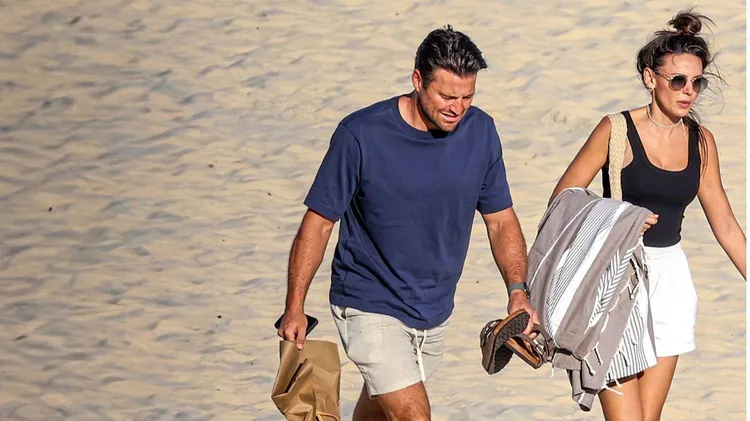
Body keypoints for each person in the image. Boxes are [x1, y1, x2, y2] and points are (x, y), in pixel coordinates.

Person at [277, 25, 539, 421]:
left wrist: (517, 291)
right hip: (368, 300)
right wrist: (294, 306)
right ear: (418, 80)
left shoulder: (481, 131)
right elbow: (319, 223)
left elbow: (501, 221)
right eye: (447, 96)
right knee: (414, 415)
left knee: (379, 413)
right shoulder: (361, 134)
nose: (457, 108)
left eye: (467, 96)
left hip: (433, 309)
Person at [550, 9, 746, 421]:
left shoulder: (701, 142)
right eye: (678, 80)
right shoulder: (615, 130)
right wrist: (619, 217)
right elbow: (563, 198)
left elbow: (726, 225)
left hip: (670, 284)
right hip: (617, 281)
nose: (688, 91)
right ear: (649, 77)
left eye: (696, 82)